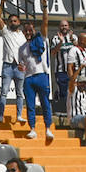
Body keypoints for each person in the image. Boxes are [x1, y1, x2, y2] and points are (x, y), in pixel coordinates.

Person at [18, 14, 55, 143]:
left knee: (45, 103)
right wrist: (20, 67)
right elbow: (21, 63)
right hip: (28, 78)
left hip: (41, 75)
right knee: (30, 105)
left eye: (30, 30)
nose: (28, 33)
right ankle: (32, 129)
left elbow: (45, 23)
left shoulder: (41, 39)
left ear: (34, 30)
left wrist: (45, 8)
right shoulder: (21, 48)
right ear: (23, 32)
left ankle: (48, 128)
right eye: (26, 31)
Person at [0, 9, 26, 123]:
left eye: (15, 21)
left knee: (20, 93)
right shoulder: (5, 32)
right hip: (8, 65)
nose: (13, 23)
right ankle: (1, 115)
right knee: (4, 91)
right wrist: (2, 4)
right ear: (8, 23)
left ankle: (19, 115)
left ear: (19, 22)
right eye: (11, 21)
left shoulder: (22, 36)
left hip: (19, 66)